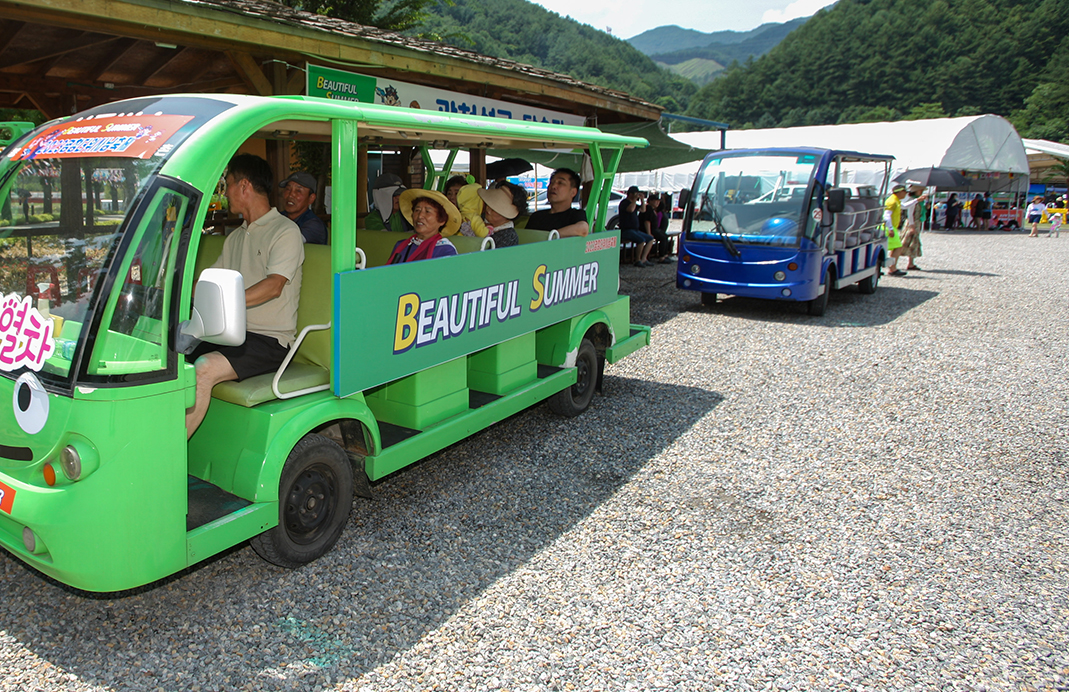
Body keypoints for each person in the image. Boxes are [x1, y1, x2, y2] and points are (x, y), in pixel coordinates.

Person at [186, 154, 305, 439]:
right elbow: (207, 283)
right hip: (232, 333)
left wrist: (224, 302)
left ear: (244, 186)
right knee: (170, 357)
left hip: (269, 340)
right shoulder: (236, 237)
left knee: (203, 369)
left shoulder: (285, 231)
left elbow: (274, 286)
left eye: (227, 185)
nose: (225, 193)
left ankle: (167, 462)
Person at [387, 189, 460, 263]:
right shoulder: (402, 246)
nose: (420, 216)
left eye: (427, 211)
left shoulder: (445, 250)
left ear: (441, 220)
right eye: (417, 210)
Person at [525, 168, 589, 237]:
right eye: (551, 182)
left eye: (560, 183)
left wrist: (552, 236)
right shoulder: (536, 216)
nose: (553, 186)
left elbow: (583, 229)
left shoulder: (575, 215)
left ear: (573, 192)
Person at [278, 171, 327, 244]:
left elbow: (286, 243)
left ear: (311, 198)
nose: (291, 195)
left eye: (298, 191)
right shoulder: (278, 217)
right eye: (288, 189)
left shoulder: (314, 225)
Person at [478, 182, 527, 248]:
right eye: (489, 204)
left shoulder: (509, 237)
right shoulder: (479, 219)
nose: (488, 209)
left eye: (494, 209)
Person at [618, 185, 655, 267]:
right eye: (635, 193)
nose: (637, 195)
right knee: (641, 240)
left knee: (650, 239)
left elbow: (643, 210)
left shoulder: (634, 204)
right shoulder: (624, 203)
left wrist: (642, 200)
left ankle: (644, 258)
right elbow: (630, 210)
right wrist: (634, 200)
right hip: (626, 229)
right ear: (630, 194)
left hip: (635, 229)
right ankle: (637, 260)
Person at [899, 185, 927, 271]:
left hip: (916, 222)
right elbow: (910, 214)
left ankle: (911, 262)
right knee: (907, 242)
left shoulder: (919, 201)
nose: (921, 191)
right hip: (912, 222)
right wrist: (912, 226)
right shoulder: (912, 200)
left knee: (913, 242)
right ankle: (900, 261)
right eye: (920, 190)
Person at [883, 184, 909, 276]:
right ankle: (892, 268)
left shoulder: (895, 200)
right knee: (898, 247)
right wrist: (890, 229)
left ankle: (892, 267)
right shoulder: (892, 201)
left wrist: (917, 200)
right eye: (905, 192)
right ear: (900, 192)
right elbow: (886, 216)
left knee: (897, 247)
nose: (906, 194)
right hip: (888, 227)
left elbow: (905, 206)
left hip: (890, 227)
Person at [643, 193, 673, 262]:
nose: (657, 202)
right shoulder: (648, 209)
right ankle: (662, 256)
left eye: (658, 201)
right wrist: (649, 233)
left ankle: (664, 255)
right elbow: (647, 221)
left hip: (654, 229)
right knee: (662, 237)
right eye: (655, 201)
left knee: (664, 236)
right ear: (650, 201)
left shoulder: (654, 210)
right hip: (649, 229)